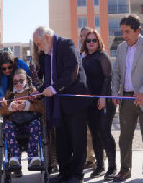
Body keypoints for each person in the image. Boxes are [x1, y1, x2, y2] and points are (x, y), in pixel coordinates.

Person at [32, 26, 90, 183]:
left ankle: (77, 175)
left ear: (47, 38)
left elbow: (72, 71)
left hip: (76, 101)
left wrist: (53, 88)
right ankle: (64, 173)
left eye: (39, 44)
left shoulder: (67, 45)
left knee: (78, 140)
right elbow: (47, 81)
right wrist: (37, 92)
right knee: (62, 140)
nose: (38, 47)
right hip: (58, 103)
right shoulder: (45, 55)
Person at [111, 14, 143, 183]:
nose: (124, 35)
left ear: (138, 31)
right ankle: (124, 169)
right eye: (123, 32)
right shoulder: (121, 48)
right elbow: (116, 72)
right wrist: (115, 92)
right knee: (124, 137)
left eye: (127, 32)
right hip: (126, 100)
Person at [81, 29, 117, 180]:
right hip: (89, 102)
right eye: (88, 40)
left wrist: (103, 96)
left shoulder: (102, 56)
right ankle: (100, 165)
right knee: (94, 133)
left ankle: (112, 167)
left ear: (98, 41)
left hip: (104, 101)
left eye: (94, 40)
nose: (91, 43)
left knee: (105, 133)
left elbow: (107, 77)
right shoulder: (84, 59)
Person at [0, 69, 45, 167]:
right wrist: (11, 108)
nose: (18, 84)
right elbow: (1, 111)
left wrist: (28, 106)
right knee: (7, 125)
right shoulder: (9, 93)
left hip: (30, 125)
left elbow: (42, 109)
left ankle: (33, 157)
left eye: (21, 81)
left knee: (37, 123)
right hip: (14, 125)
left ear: (26, 80)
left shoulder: (32, 91)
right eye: (15, 82)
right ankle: (15, 156)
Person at [31, 43, 59, 174]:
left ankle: (55, 162)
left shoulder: (52, 55)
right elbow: (38, 80)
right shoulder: (37, 61)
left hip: (53, 97)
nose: (39, 47)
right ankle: (49, 163)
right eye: (36, 45)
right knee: (46, 132)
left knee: (54, 132)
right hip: (43, 99)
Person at [79, 27, 97, 171]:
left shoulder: (98, 55)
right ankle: (90, 158)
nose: (84, 38)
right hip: (82, 99)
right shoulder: (78, 55)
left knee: (98, 130)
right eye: (82, 36)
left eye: (87, 36)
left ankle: (101, 158)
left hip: (96, 97)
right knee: (86, 131)